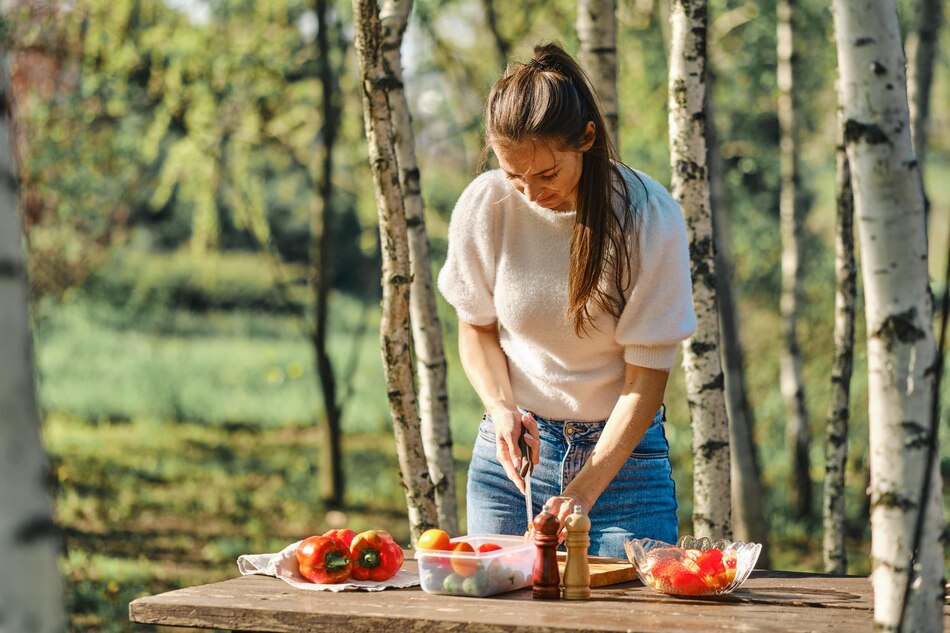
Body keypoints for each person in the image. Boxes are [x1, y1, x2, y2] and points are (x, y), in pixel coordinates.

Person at [436, 42, 697, 560]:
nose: (530, 192)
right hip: (510, 461)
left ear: (587, 139)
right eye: (515, 175)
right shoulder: (486, 204)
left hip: (623, 467)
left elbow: (645, 377)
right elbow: (477, 329)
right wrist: (502, 408)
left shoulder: (647, 216)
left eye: (547, 174)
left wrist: (583, 490)